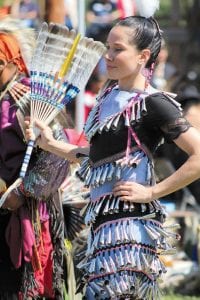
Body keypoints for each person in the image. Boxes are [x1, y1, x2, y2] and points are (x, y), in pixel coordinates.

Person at [26, 16, 200, 299]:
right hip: (101, 230)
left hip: (130, 231)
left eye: (117, 49)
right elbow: (97, 158)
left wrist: (152, 191)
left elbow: (198, 156)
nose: (108, 56)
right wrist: (51, 143)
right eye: (107, 47)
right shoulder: (109, 95)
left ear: (143, 56)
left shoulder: (153, 103)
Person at [0, 17, 75, 299]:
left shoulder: (31, 98)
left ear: (15, 61)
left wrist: (22, 190)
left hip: (28, 212)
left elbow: (58, 156)